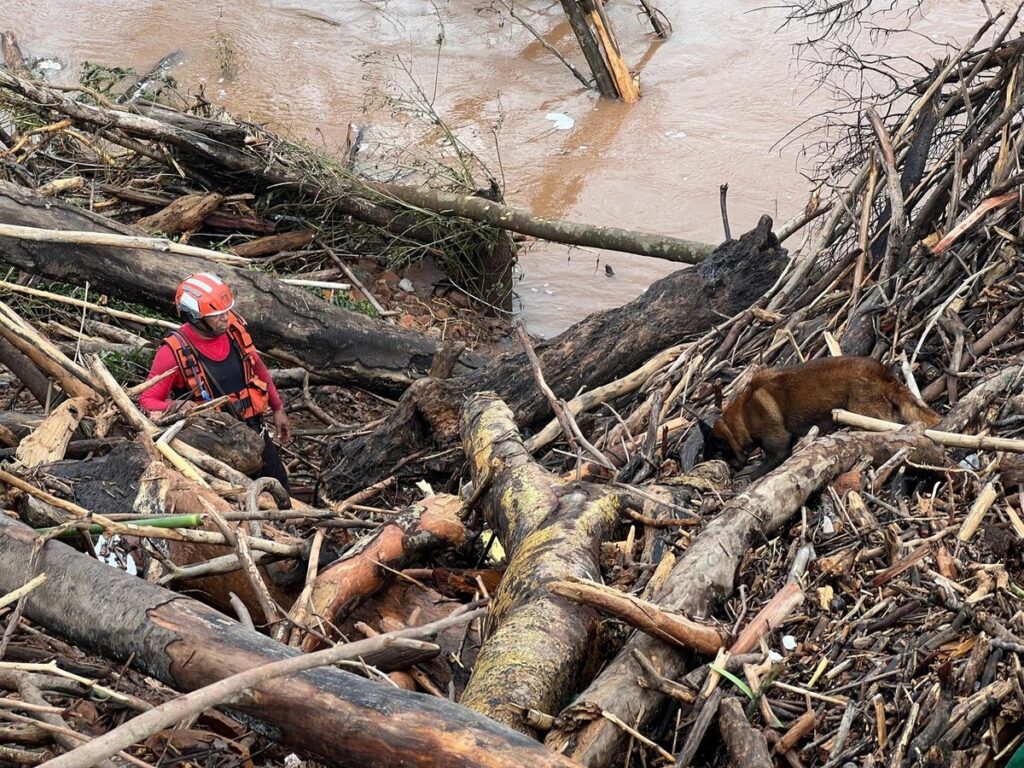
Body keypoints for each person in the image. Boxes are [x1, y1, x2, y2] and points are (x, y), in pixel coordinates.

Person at [139, 272, 292, 491]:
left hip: (254, 433)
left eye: (226, 311)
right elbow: (147, 399)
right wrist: (177, 406)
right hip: (214, 448)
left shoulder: (233, 332)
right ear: (194, 317)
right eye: (217, 314)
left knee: (281, 488)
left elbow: (257, 366)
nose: (226, 317)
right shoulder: (172, 352)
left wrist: (278, 407)